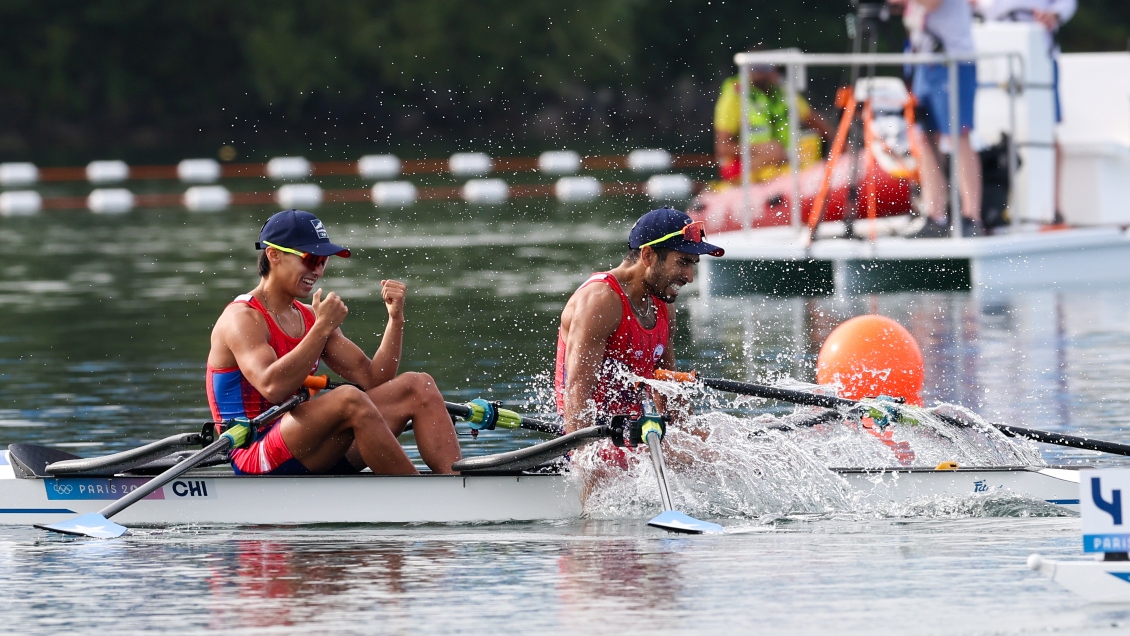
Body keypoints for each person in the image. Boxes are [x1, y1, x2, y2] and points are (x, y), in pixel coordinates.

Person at [206, 209, 461, 476]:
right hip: (253, 451)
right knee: (348, 398)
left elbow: (375, 378)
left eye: (323, 261)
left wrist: (395, 320)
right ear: (274, 255)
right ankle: (420, 495)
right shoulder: (242, 318)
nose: (317, 270)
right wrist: (322, 327)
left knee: (418, 385)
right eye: (311, 258)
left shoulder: (308, 317)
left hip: (305, 445)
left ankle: (456, 486)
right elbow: (273, 387)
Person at [555, 208, 725, 436]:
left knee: (728, 453)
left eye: (692, 264)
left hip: (637, 436)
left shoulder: (663, 304)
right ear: (647, 256)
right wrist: (584, 466)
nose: (689, 276)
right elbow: (577, 394)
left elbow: (668, 392)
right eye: (683, 262)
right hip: (592, 439)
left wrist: (696, 439)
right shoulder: (600, 301)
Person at [894, 0, 985, 237]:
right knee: (924, 137)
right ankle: (935, 215)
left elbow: (931, 3)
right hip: (925, 62)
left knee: (959, 134)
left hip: (953, 61)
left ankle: (971, 216)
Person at [980, 0, 1076, 219]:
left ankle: (1051, 206)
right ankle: (993, 205)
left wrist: (1055, 15)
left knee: (1046, 130)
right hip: (993, 48)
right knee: (993, 130)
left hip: (1038, 52)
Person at [713, 63, 833, 183]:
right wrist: (762, 150)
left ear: (775, 68)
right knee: (774, 150)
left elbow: (814, 120)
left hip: (781, 165)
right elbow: (722, 148)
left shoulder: (782, 91)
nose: (761, 73)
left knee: (808, 141)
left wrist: (839, 143)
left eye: (766, 67)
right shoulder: (735, 95)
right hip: (744, 168)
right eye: (755, 68)